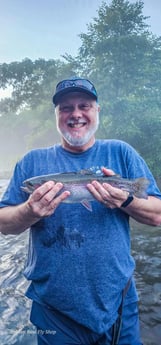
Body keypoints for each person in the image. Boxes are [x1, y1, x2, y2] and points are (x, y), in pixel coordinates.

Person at [0, 76, 161, 345]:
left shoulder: (122, 152)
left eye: (84, 105)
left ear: (97, 110)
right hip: (53, 308)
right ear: (57, 115)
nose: (75, 114)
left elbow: (157, 215)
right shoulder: (31, 162)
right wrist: (30, 210)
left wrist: (125, 200)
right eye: (66, 108)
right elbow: (4, 223)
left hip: (118, 300)